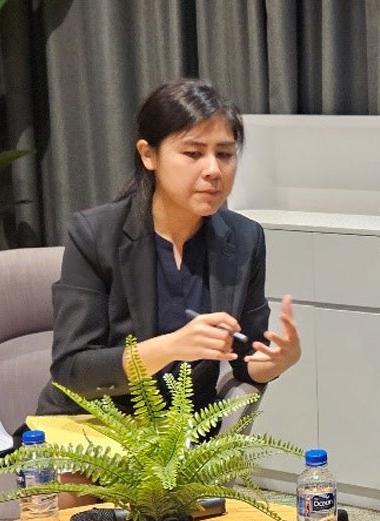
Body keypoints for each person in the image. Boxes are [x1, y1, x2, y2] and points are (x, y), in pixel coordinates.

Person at [39, 79, 300, 417]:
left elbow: (245, 359)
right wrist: (172, 347)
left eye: (224, 154)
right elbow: (73, 371)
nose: (213, 170)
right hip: (93, 432)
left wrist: (278, 362)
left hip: (183, 441)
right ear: (149, 155)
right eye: (193, 153)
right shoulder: (95, 234)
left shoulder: (245, 238)